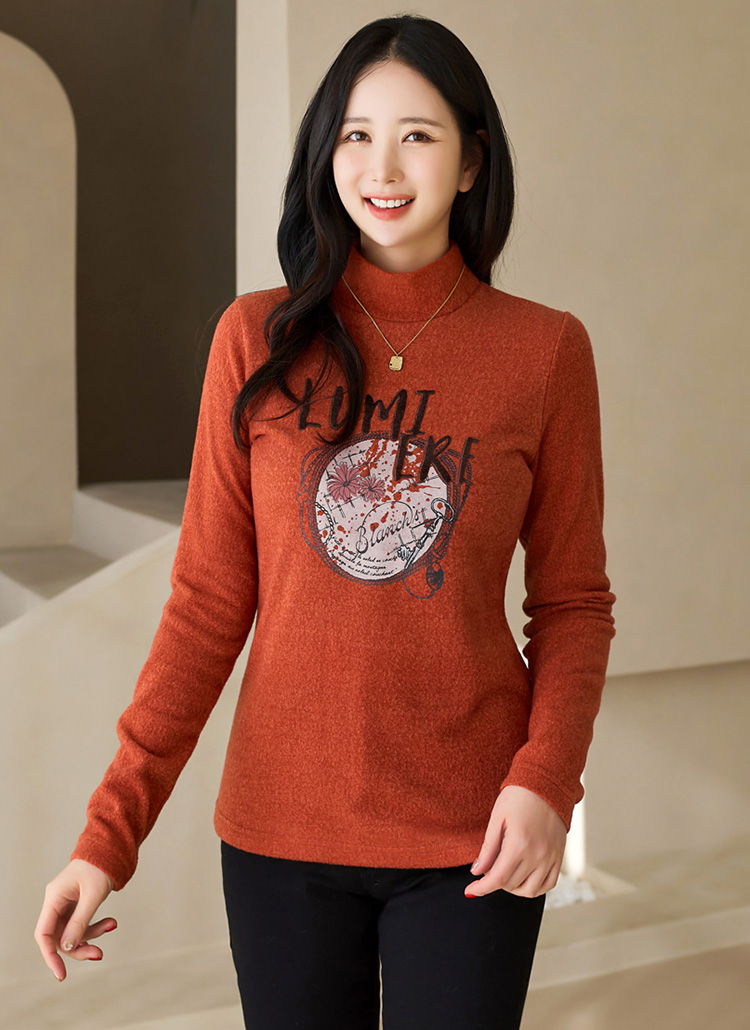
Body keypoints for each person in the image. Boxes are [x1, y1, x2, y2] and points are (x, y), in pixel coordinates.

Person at [34, 14, 616, 1029]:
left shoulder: (544, 353)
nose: (382, 166)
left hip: (475, 831)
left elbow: (572, 604)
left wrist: (546, 780)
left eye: (418, 135)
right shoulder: (255, 338)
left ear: (472, 162)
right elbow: (207, 605)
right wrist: (106, 836)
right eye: (355, 134)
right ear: (326, 153)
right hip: (281, 837)